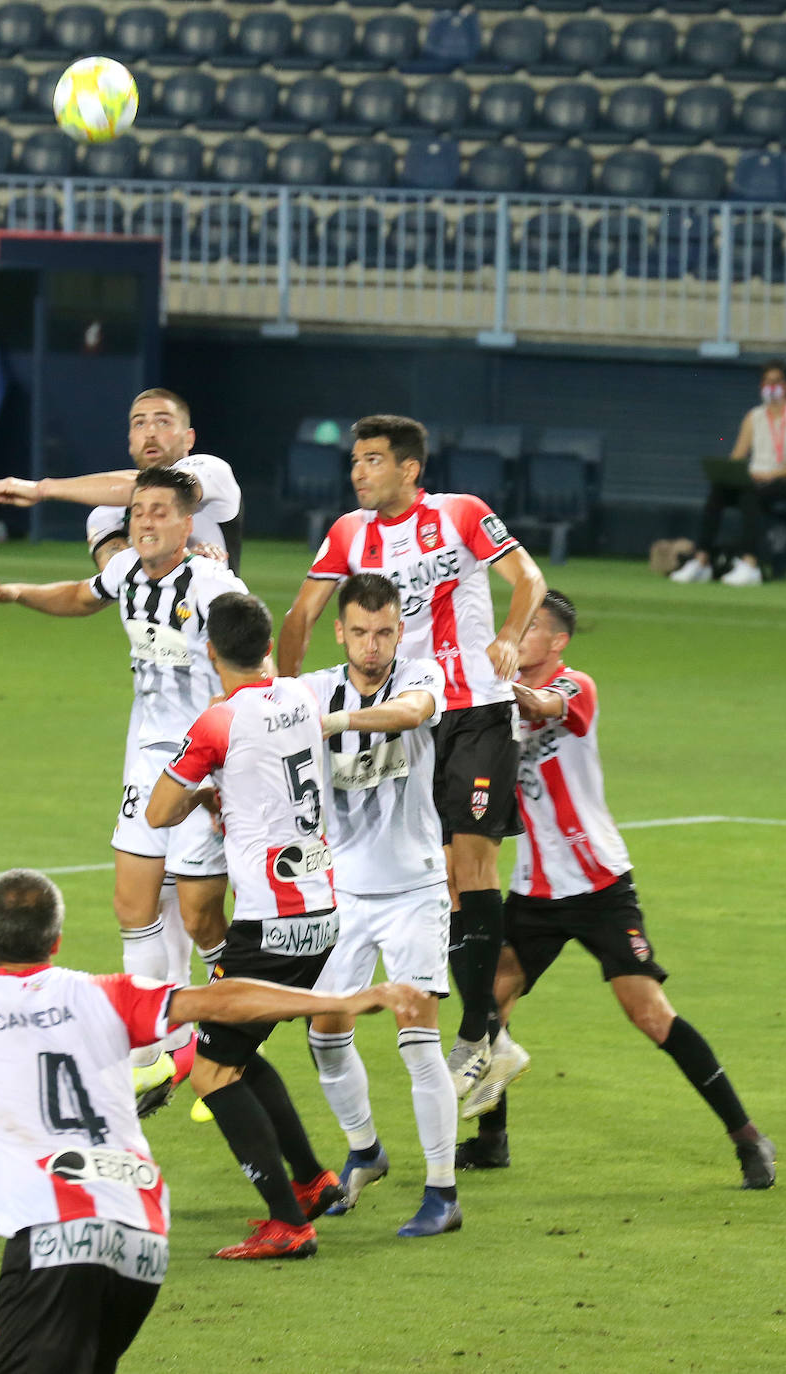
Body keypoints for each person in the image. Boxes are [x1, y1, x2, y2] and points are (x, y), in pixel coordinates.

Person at [0, 867, 428, 1373]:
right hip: (142, 1238)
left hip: (53, 1236)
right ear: (57, 941)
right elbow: (222, 1000)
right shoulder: (107, 994)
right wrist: (345, 1000)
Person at [455, 590, 777, 1193]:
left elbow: (550, 703)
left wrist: (496, 689)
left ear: (556, 643)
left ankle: (748, 1137)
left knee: (649, 1014)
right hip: (536, 893)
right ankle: (492, 1141)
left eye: (527, 631)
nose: (513, 637)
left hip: (601, 886)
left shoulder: (577, 685)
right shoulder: (497, 701)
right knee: (488, 1001)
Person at [277, 414, 546, 1106]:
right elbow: (302, 617)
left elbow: (527, 578)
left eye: (371, 460)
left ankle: (478, 1037)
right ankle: (493, 1042)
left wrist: (511, 637)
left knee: (469, 863)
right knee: (445, 885)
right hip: (411, 720)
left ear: (408, 469)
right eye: (355, 460)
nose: (357, 471)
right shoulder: (347, 532)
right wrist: (279, 702)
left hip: (479, 707)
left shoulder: (460, 515)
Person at [0, 467, 245, 1086]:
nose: (144, 521)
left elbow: (255, 673)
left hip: (205, 769)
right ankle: (151, 1056)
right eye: (138, 511)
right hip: (147, 764)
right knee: (133, 906)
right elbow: (80, 595)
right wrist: (11, 592)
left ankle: (234, 1030)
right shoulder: (126, 574)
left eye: (159, 512)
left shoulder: (216, 585)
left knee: (199, 918)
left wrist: (232, 774)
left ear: (186, 523)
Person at [145, 592, 356, 1259]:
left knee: (211, 1073)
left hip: (270, 922)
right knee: (238, 1048)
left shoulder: (217, 721)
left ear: (211, 651)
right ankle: (314, 1180)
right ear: (267, 646)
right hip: (321, 908)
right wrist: (225, 793)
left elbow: (156, 813)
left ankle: (287, 1222)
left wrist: (200, 788)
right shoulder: (301, 696)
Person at [299, 573, 461, 1237]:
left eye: (384, 632)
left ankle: (443, 1193)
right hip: (342, 893)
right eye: (360, 632)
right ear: (340, 631)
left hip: (414, 890)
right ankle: (364, 1149)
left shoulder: (419, 675)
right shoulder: (311, 688)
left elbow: (409, 714)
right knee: (323, 1036)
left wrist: (335, 723)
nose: (373, 645)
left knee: (417, 1043)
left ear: (400, 631)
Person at [0, 387, 244, 573]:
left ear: (189, 438)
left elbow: (158, 487)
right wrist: (189, 559)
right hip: (150, 654)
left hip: (219, 649)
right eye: (139, 423)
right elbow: (121, 578)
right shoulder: (106, 515)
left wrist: (41, 489)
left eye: (163, 422)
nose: (150, 432)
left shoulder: (211, 471)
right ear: (130, 442)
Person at [672, 359, 786, 587]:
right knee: (718, 490)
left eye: (776, 382)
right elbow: (738, 455)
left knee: (751, 493)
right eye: (766, 382)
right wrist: (729, 473)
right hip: (755, 480)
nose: (770, 387)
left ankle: (750, 563)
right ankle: (701, 560)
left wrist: (771, 476)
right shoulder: (753, 416)